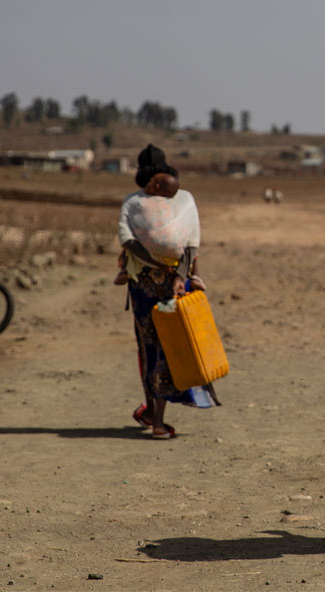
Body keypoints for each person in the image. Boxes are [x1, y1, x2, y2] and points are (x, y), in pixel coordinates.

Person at [120, 144, 216, 439]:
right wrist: (179, 273)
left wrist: (150, 262)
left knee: (148, 348)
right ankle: (158, 420)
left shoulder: (132, 203)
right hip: (175, 285)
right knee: (170, 347)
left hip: (141, 286)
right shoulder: (185, 200)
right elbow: (192, 244)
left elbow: (127, 242)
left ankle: (152, 414)